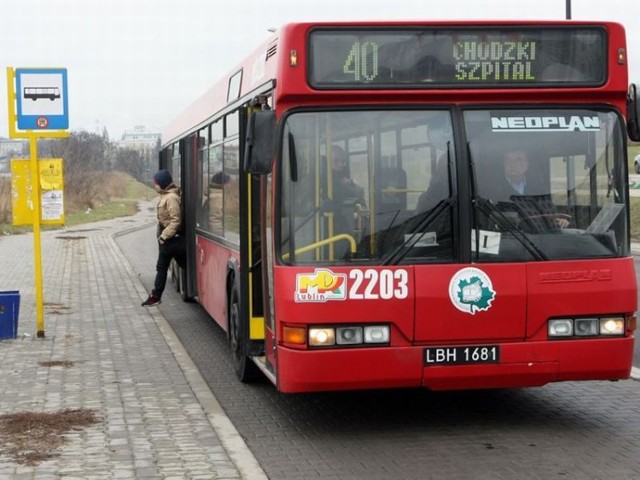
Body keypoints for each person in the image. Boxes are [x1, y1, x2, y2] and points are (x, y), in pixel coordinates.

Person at [493, 148, 570, 229]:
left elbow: (549, 212)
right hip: (509, 236)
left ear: (526, 165)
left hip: (538, 237)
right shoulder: (493, 188)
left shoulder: (538, 188)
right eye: (508, 160)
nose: (512, 164)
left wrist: (560, 221)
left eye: (518, 160)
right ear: (503, 164)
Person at [142, 169, 186, 306]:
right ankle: (155, 296)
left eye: (155, 183)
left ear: (161, 183)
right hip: (167, 240)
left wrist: (164, 236)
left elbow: (175, 220)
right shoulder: (166, 196)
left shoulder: (171, 198)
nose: (154, 186)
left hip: (171, 240)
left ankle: (155, 296)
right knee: (162, 267)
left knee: (168, 266)